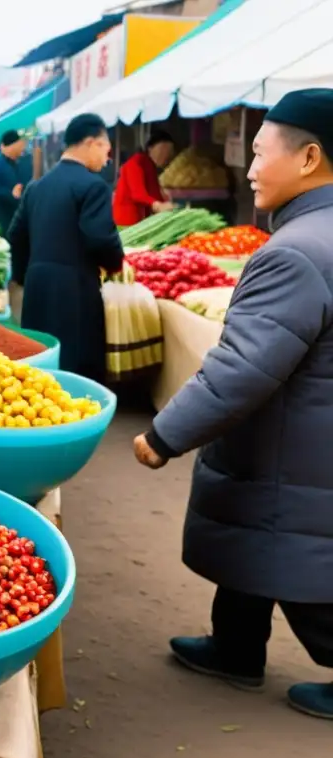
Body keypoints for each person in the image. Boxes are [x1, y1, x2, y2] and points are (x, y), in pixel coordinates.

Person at [133, 88, 333, 720]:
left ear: (309, 159)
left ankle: (241, 649)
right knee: (258, 536)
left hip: (295, 441)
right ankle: (235, 648)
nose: (247, 169)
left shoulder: (297, 253)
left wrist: (164, 435)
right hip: (300, 432)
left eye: (258, 153)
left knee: (298, 553)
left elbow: (241, 368)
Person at [8, 114, 123, 382]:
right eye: (106, 150)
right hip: (75, 290)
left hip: (37, 288)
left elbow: (16, 234)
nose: (107, 159)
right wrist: (117, 264)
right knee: (74, 367)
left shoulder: (36, 187)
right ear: (92, 143)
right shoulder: (93, 186)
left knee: (39, 360)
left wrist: (26, 275)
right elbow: (101, 238)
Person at [113, 130, 176, 226]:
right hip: (126, 222)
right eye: (162, 149)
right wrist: (157, 205)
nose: (165, 155)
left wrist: (167, 204)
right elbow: (137, 194)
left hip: (141, 221)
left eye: (169, 151)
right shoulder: (136, 162)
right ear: (150, 148)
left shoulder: (151, 166)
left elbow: (155, 193)